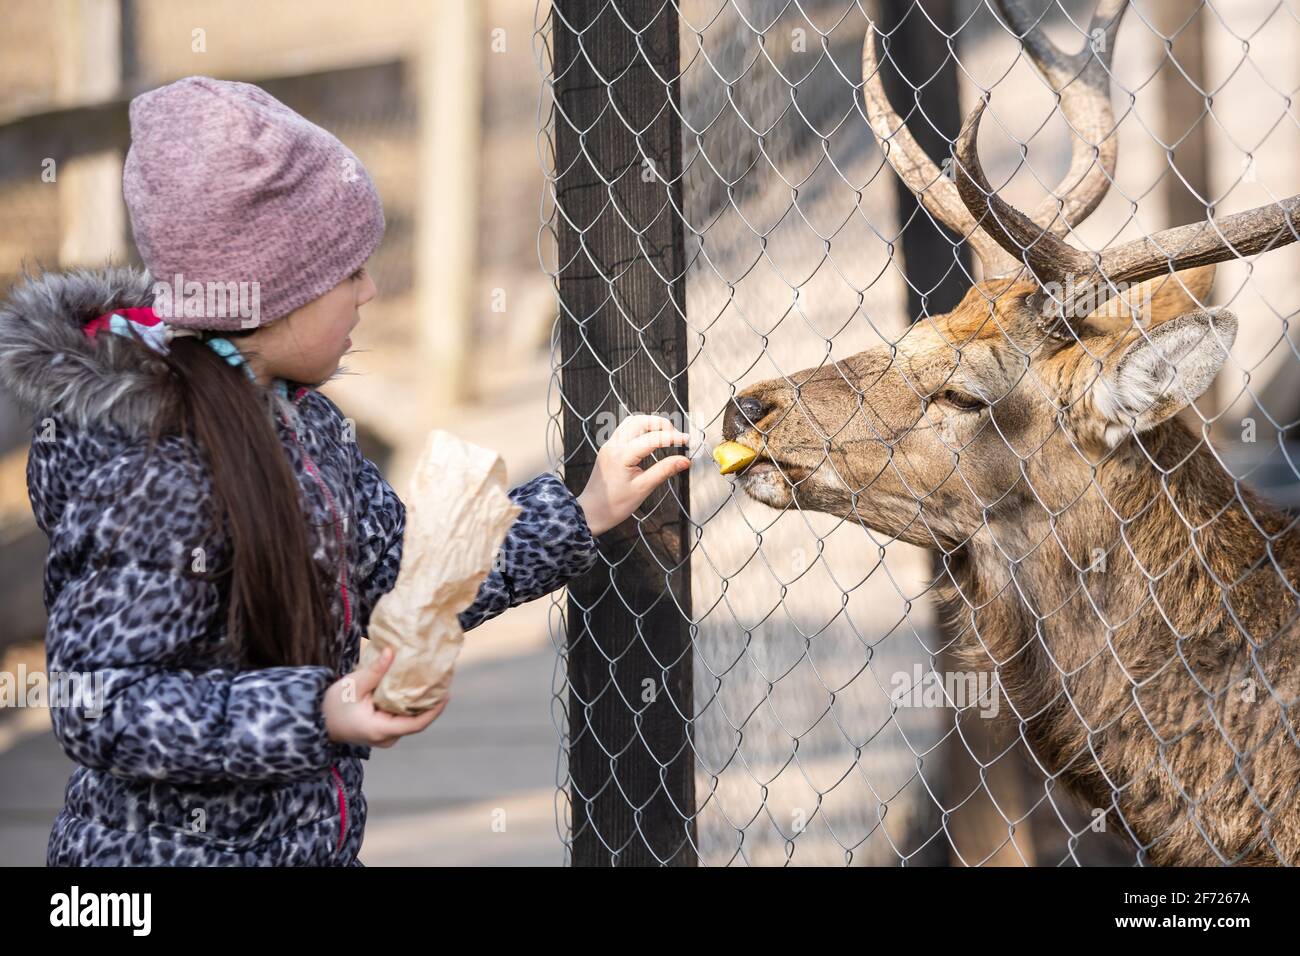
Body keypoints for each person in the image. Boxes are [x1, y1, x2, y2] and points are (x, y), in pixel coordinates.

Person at [0, 76, 691, 866]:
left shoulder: (305, 423)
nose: (369, 289)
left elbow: (405, 575)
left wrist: (581, 511)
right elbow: (105, 706)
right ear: (274, 295)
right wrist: (314, 712)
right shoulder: (154, 468)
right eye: (348, 272)